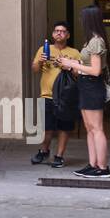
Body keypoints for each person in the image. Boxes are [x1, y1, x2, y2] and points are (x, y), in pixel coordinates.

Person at [59, 4, 110, 178]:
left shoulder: (96, 41)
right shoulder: (91, 40)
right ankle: (92, 164)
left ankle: (103, 168)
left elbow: (96, 71)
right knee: (90, 128)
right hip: (85, 85)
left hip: (92, 86)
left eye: (83, 17)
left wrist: (72, 64)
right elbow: (88, 66)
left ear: (90, 19)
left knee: (96, 128)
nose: (81, 20)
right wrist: (72, 64)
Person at [30, 20, 80, 167]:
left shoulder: (74, 52)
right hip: (47, 95)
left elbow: (79, 73)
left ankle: (59, 156)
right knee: (47, 127)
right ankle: (44, 150)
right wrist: (39, 61)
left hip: (66, 97)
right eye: (56, 31)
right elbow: (34, 69)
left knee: (64, 127)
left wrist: (69, 66)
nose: (59, 33)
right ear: (52, 34)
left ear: (68, 35)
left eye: (63, 31)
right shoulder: (44, 49)